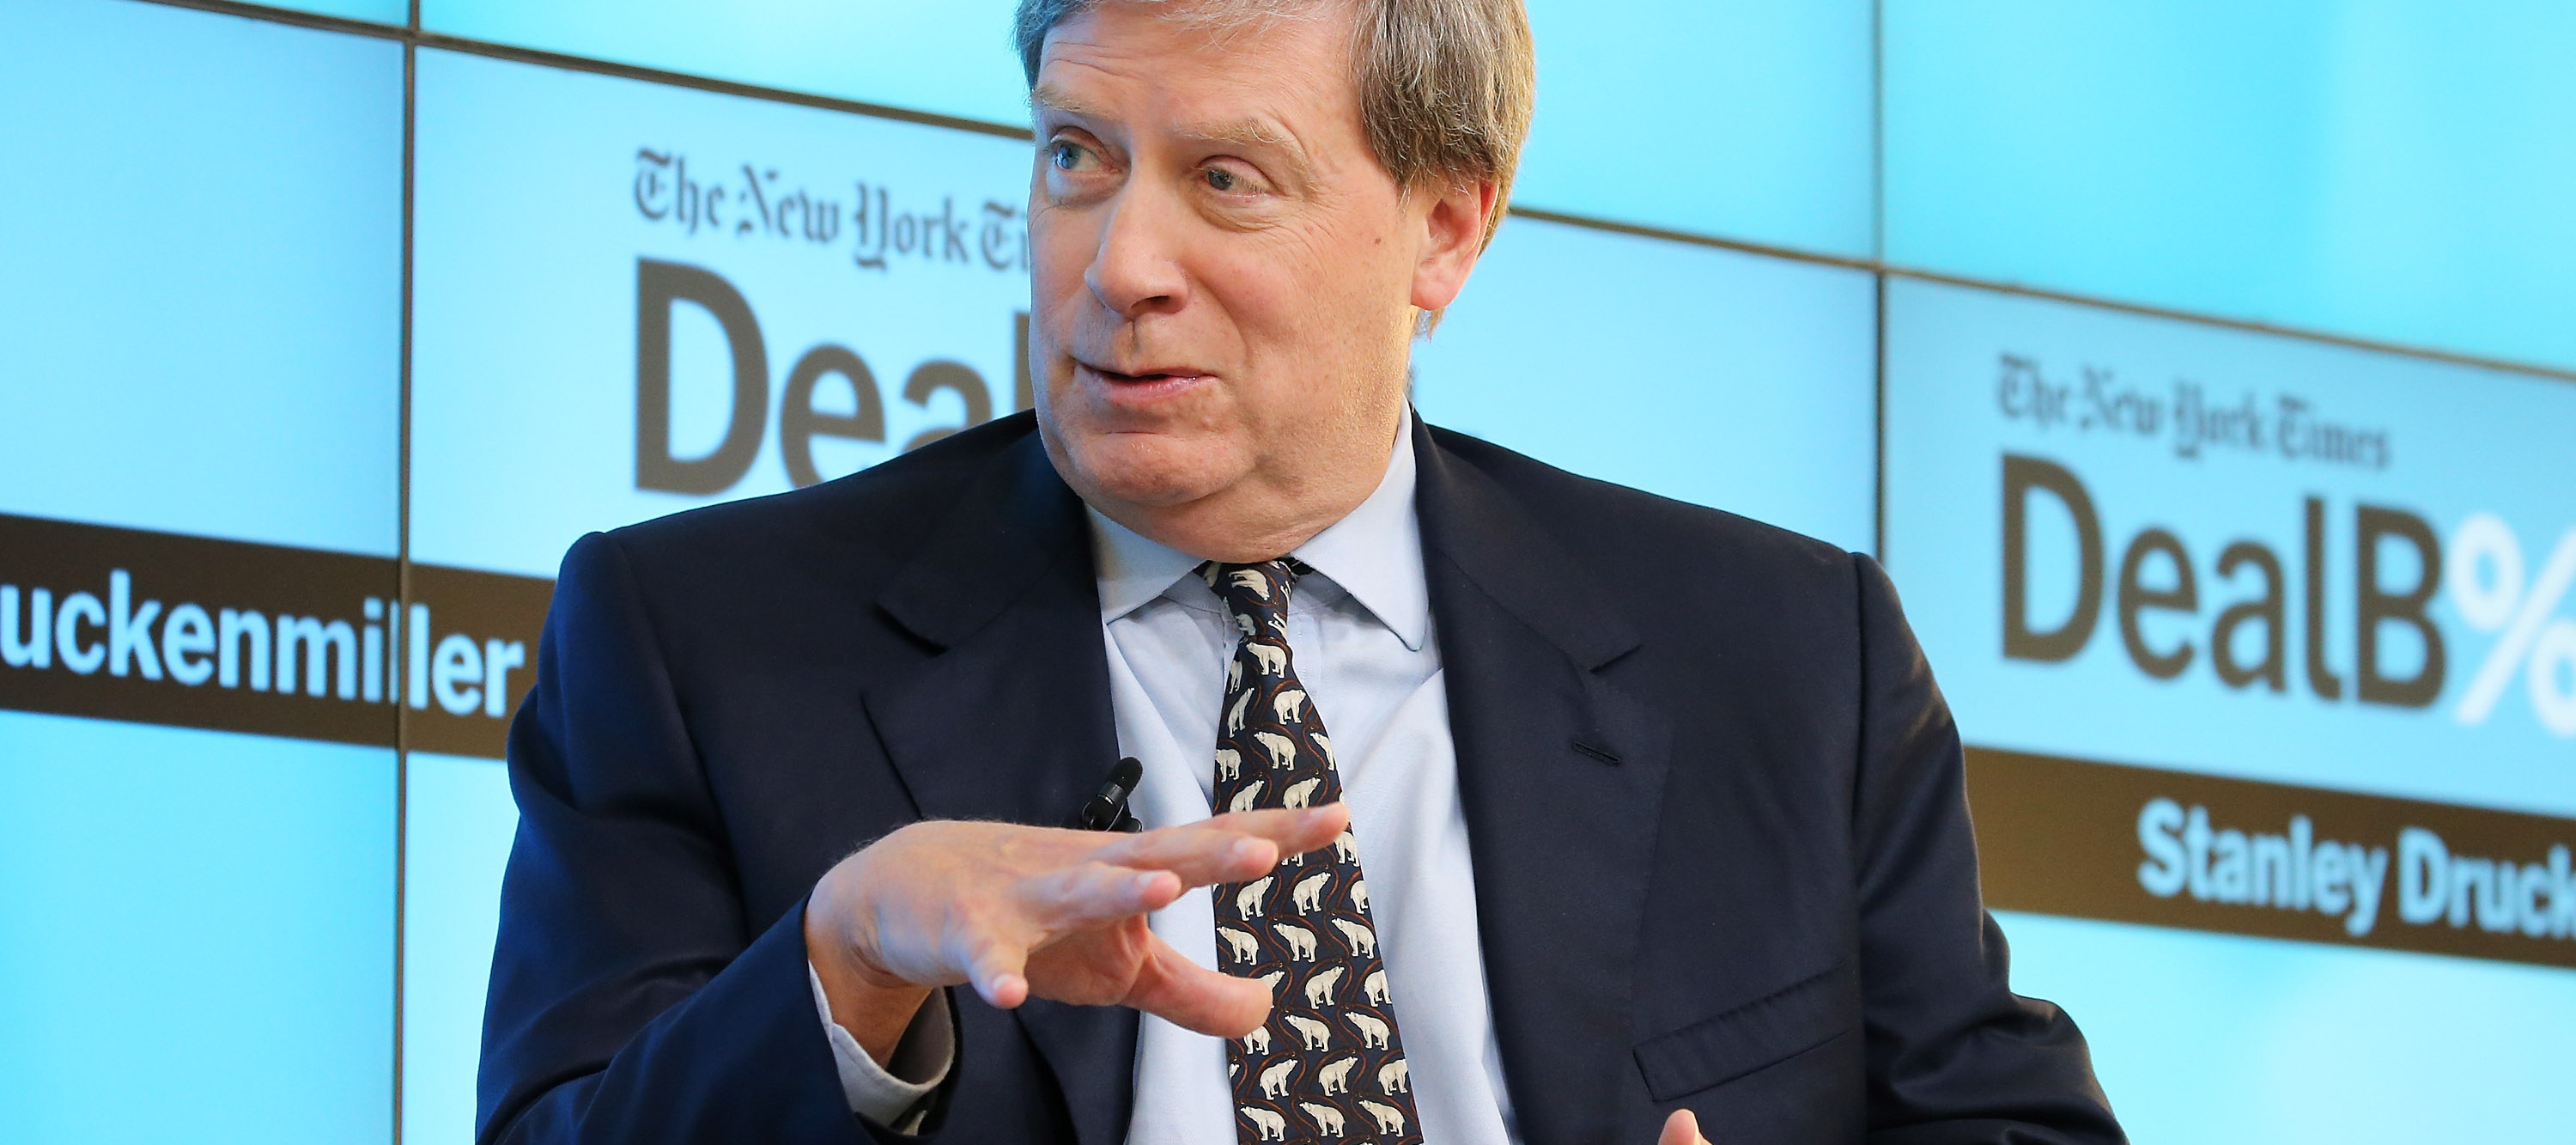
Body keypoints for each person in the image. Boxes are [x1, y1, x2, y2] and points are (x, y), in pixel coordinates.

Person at [477, 1, 2125, 1142]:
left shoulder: (1778, 659)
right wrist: (840, 967)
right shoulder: (702, 642)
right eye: (1077, 157)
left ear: (1446, 231)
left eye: (1225, 181)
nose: (1120, 267)